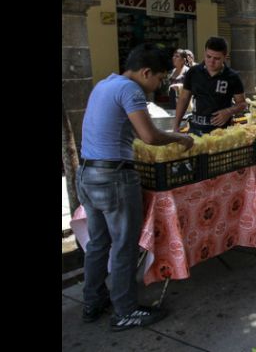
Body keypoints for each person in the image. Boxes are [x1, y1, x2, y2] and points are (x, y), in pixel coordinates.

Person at [77, 43, 194, 331]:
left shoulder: (104, 84)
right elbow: (150, 137)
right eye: (159, 78)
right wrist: (180, 139)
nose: (158, 85)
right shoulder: (131, 90)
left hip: (87, 174)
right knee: (124, 247)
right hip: (114, 179)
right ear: (145, 72)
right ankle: (125, 311)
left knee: (99, 243)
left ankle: (93, 301)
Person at [173, 36, 247, 136]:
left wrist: (229, 111)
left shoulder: (232, 77)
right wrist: (176, 125)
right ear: (205, 53)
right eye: (208, 56)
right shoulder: (193, 72)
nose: (211, 62)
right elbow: (183, 99)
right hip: (195, 130)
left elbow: (242, 104)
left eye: (216, 58)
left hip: (222, 133)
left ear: (225, 57)